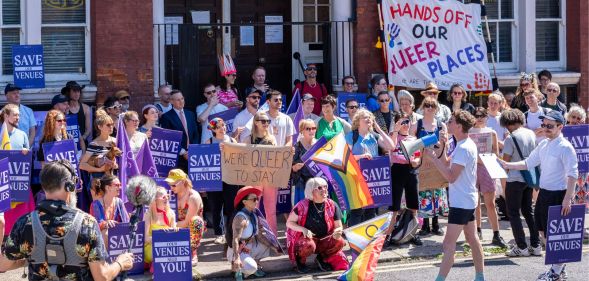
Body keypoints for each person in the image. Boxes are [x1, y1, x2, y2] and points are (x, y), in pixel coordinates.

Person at [0, 160, 134, 280]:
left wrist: (29, 259)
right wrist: (120, 263)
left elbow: (3, 265)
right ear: (69, 186)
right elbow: (102, 277)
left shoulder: (24, 223)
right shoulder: (87, 223)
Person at [499, 111, 578, 281]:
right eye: (544, 125)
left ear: (560, 127)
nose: (545, 128)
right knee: (542, 231)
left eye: (550, 126)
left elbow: (573, 174)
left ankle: (556, 272)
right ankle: (559, 268)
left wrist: (568, 199)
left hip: (559, 194)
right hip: (544, 193)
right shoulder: (543, 145)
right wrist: (507, 164)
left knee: (554, 236)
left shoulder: (565, 147)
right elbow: (528, 163)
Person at [424, 110, 485, 281]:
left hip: (461, 203)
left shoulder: (464, 148)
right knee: (472, 238)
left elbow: (451, 176)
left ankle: (440, 279)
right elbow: (447, 164)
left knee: (448, 244)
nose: (448, 123)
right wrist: (441, 148)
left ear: (459, 126)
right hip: (467, 199)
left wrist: (433, 159)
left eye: (451, 121)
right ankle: (480, 277)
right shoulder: (463, 144)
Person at [500, 109, 541, 257]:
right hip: (529, 177)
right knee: (528, 211)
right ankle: (536, 245)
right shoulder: (530, 133)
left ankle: (521, 246)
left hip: (515, 178)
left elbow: (505, 162)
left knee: (513, 213)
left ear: (507, 123)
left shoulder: (511, 138)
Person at [286, 177, 349, 273]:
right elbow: (289, 223)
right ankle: (300, 262)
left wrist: (338, 232)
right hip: (308, 240)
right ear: (311, 191)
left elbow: (339, 226)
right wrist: (303, 230)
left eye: (325, 187)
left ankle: (322, 258)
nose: (324, 190)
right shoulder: (301, 206)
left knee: (340, 241)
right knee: (307, 245)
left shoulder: (332, 204)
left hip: (325, 239)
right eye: (319, 188)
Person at [345, 108, 394, 226]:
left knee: (371, 211)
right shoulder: (352, 136)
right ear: (358, 121)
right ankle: (354, 243)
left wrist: (378, 129)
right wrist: (362, 156)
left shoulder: (374, 136)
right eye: (365, 117)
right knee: (357, 211)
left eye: (370, 117)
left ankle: (369, 241)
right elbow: (346, 158)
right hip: (357, 178)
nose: (369, 119)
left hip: (373, 179)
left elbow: (391, 146)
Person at [469, 107, 506, 247]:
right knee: (475, 203)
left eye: (482, 115)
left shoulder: (492, 132)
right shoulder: (469, 132)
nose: (479, 118)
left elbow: (496, 153)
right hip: (472, 169)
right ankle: (477, 231)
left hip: (487, 168)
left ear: (486, 117)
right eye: (476, 115)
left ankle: (496, 234)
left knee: (490, 203)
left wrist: (487, 159)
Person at [228, 186, 279, 280]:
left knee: (266, 245)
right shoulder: (241, 218)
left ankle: (249, 264)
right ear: (244, 202)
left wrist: (274, 247)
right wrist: (237, 258)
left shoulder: (254, 215)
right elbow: (235, 239)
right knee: (252, 268)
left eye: (257, 199)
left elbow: (259, 236)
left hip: (249, 246)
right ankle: (239, 270)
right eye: (254, 199)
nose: (256, 201)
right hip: (239, 250)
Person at [388, 112, 422, 246]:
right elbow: (391, 147)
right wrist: (395, 131)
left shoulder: (414, 138)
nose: (405, 125)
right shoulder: (393, 136)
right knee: (394, 205)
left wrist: (416, 161)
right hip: (397, 169)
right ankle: (389, 234)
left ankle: (414, 233)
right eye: (402, 122)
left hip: (411, 170)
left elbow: (418, 156)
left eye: (407, 122)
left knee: (413, 204)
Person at [204, 118, 241, 244]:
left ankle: (231, 231)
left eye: (223, 125)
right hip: (214, 178)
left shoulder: (232, 140)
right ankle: (219, 233)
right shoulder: (208, 142)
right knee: (216, 206)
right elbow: (203, 161)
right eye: (219, 126)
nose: (222, 128)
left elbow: (239, 158)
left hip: (230, 178)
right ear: (213, 130)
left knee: (231, 205)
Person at [243, 111, 280, 233]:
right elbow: (240, 155)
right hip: (254, 177)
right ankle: (253, 236)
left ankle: (273, 237)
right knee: (253, 207)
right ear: (256, 122)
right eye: (263, 121)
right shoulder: (248, 139)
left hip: (269, 177)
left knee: (271, 210)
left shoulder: (272, 139)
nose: (266, 123)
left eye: (268, 121)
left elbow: (277, 157)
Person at [416, 97, 448, 236]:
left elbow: (445, 145)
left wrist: (444, 142)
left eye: (433, 106)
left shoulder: (441, 125)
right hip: (423, 163)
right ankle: (425, 226)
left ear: (437, 108)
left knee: (437, 193)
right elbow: (411, 143)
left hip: (437, 162)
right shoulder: (417, 124)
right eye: (427, 105)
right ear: (423, 107)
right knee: (424, 193)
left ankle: (436, 224)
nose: (430, 108)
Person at [0, 104, 29, 249]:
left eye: (19, 115)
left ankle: (15, 243)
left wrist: (26, 152)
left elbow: (28, 157)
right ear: (6, 116)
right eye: (15, 115)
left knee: (18, 215)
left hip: (18, 183)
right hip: (2, 182)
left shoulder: (22, 134)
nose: (18, 117)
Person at [79, 111, 118, 212]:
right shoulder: (94, 144)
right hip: (97, 181)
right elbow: (82, 165)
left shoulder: (116, 141)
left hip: (112, 180)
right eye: (108, 125)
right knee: (99, 210)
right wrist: (100, 169)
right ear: (100, 127)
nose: (111, 127)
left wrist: (115, 165)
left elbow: (123, 161)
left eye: (112, 124)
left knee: (111, 209)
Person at [165, 169, 205, 265]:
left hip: (189, 227)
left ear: (183, 182)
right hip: (174, 224)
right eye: (169, 184)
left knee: (196, 221)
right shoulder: (170, 195)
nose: (171, 187)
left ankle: (192, 252)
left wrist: (168, 226)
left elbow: (187, 222)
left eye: (174, 185)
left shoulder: (193, 197)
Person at [159, 90, 200, 170]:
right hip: (178, 157)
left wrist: (193, 149)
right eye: (178, 100)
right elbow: (169, 138)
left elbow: (196, 133)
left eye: (182, 98)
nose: (181, 102)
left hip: (193, 154)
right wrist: (183, 152)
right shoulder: (166, 117)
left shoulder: (190, 114)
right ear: (171, 101)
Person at [565, 104, 589, 239]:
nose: (576, 120)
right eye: (573, 117)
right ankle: (572, 227)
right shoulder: (563, 131)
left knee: (583, 200)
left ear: (583, 120)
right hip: (569, 171)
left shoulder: (586, 132)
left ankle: (582, 228)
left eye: (579, 118)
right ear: (569, 118)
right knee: (570, 199)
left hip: (584, 172)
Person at [144, 187, 177, 269]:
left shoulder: (171, 213)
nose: (166, 199)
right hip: (151, 247)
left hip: (167, 246)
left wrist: (175, 230)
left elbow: (174, 236)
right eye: (163, 197)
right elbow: (145, 239)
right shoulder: (148, 215)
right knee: (162, 250)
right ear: (155, 200)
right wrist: (160, 235)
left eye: (167, 196)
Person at [89, 174, 129, 243]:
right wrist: (105, 224)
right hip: (100, 239)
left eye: (120, 185)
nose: (120, 187)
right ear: (107, 187)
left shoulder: (119, 202)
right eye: (117, 185)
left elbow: (126, 222)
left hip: (118, 236)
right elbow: (94, 226)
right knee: (105, 232)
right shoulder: (96, 204)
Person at [291, 119, 317, 206]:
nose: (311, 131)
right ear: (302, 131)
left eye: (313, 128)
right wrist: (295, 167)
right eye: (308, 129)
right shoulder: (297, 146)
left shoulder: (320, 144)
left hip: (317, 184)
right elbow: (291, 167)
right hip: (302, 184)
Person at [4, 83, 35, 147]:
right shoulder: (2, 113)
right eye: (14, 93)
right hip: (7, 151)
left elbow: (32, 132)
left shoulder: (28, 111)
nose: (17, 95)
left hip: (25, 152)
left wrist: (27, 148)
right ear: (7, 96)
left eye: (18, 92)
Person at [63, 81, 92, 147]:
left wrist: (83, 138)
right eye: (74, 91)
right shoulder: (64, 109)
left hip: (82, 142)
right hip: (67, 143)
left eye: (78, 91)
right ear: (68, 93)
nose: (77, 94)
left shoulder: (86, 108)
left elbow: (88, 129)